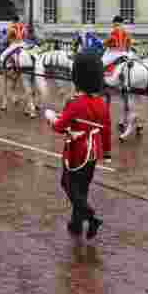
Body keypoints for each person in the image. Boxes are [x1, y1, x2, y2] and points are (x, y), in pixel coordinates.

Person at [44, 52, 111, 239]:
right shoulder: (102, 103)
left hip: (77, 151)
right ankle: (76, 224)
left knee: (67, 184)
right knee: (82, 188)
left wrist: (50, 117)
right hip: (94, 151)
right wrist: (107, 153)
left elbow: (59, 127)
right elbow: (106, 129)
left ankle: (91, 216)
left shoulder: (74, 103)